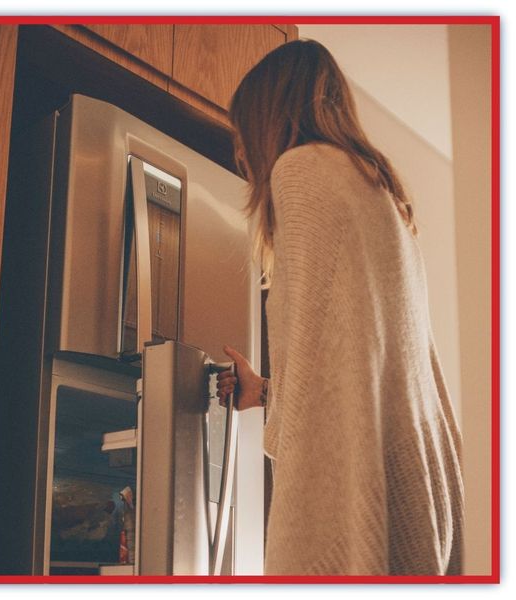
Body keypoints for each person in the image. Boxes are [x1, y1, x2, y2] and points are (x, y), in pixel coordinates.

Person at [216, 39, 464, 576]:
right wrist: (265, 392)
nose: (242, 154)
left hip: (363, 493)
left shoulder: (300, 172)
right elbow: (348, 363)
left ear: (266, 119)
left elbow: (317, 390)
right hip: (419, 488)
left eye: (242, 135)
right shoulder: (381, 191)